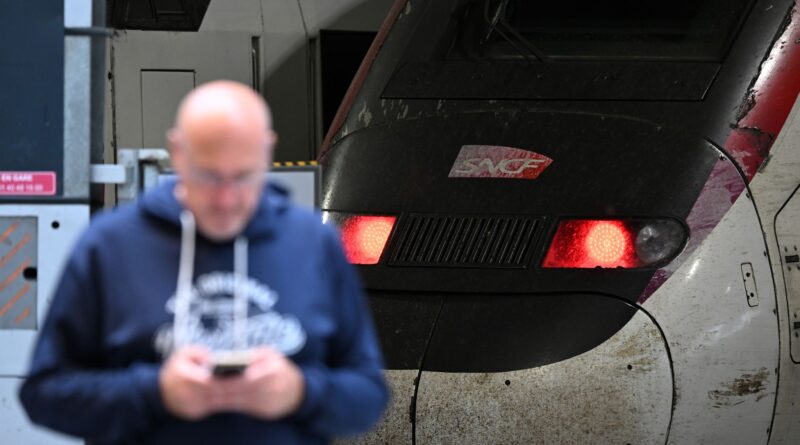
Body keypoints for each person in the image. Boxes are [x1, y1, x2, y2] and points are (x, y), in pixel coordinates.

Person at [19, 80, 389, 444]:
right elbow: (44, 393)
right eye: (208, 176)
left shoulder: (312, 242)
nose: (226, 198)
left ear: (266, 151)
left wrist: (299, 392)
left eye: (243, 176)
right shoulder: (110, 245)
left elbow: (369, 395)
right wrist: (155, 392)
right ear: (178, 152)